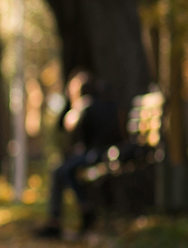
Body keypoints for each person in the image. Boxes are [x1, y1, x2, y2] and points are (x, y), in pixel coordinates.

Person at [36, 70, 123, 239]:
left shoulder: (85, 105)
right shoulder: (106, 102)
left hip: (99, 154)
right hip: (105, 152)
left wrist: (75, 108)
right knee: (64, 170)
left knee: (61, 171)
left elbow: (69, 126)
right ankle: (76, 212)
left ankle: (81, 209)